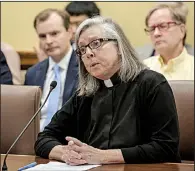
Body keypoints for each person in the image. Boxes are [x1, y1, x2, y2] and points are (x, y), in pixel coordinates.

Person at [35, 16, 181, 165]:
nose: (89, 53)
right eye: (82, 49)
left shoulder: (151, 84)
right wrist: (65, 153)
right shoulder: (86, 93)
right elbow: (43, 139)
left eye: (96, 43)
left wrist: (104, 156)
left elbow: (166, 147)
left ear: (119, 46)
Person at [25, 9, 78, 132]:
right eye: (42, 36)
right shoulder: (32, 73)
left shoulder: (85, 68)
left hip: (69, 141)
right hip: (35, 140)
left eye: (54, 33)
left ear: (69, 32)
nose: (48, 41)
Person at [143, 3, 194, 80]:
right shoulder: (142, 69)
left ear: (182, 30)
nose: (156, 33)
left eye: (163, 26)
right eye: (152, 29)